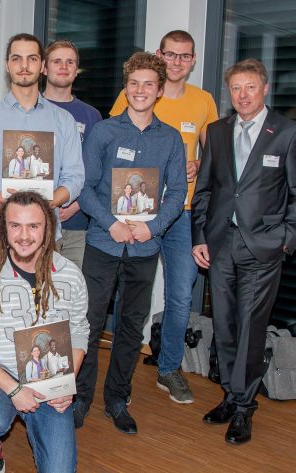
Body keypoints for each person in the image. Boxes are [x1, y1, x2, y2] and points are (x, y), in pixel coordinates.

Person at [76, 52, 186, 434]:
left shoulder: (170, 138)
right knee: (88, 325)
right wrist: (111, 224)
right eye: (134, 83)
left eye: (148, 85)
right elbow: (85, 188)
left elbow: (177, 194)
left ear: (159, 91)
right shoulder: (103, 132)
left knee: (130, 328)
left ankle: (118, 399)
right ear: (126, 87)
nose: (140, 90)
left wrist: (151, 228)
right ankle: (80, 398)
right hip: (103, 244)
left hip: (144, 249)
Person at [110, 30, 218, 404]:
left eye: (184, 56)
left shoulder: (204, 101)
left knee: (180, 296)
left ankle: (169, 368)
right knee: (128, 293)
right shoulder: (133, 93)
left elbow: (216, 155)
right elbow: (114, 145)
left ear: (192, 60)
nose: (177, 61)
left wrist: (201, 164)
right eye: (170, 54)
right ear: (159, 55)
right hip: (133, 214)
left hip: (181, 213)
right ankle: (117, 370)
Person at [192, 58, 296, 445]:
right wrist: (199, 236)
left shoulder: (286, 132)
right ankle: (231, 396)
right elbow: (205, 190)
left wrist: (285, 238)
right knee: (225, 325)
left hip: (263, 245)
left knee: (251, 327)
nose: (243, 95)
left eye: (250, 87)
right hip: (220, 245)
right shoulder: (217, 132)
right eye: (236, 88)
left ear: (265, 88)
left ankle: (243, 408)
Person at [0, 191, 89, 473]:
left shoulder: (70, 274)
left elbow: (79, 331)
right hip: (3, 376)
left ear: (48, 228)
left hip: (50, 378)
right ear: (3, 230)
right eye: (15, 225)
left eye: (34, 226)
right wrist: (15, 390)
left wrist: (67, 384)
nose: (24, 235)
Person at [0, 33, 84, 265]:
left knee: (45, 302)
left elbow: (75, 178)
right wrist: (6, 209)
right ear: (7, 65)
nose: (23, 66)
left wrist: (44, 203)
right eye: (16, 58)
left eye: (31, 59)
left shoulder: (64, 120)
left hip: (46, 235)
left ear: (42, 66)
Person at [42, 39, 103, 269]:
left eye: (70, 62)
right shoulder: (32, 111)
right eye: (57, 61)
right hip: (38, 223)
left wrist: (76, 203)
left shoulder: (92, 116)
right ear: (45, 68)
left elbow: (96, 169)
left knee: (73, 297)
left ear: (77, 71)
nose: (64, 66)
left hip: (77, 222)